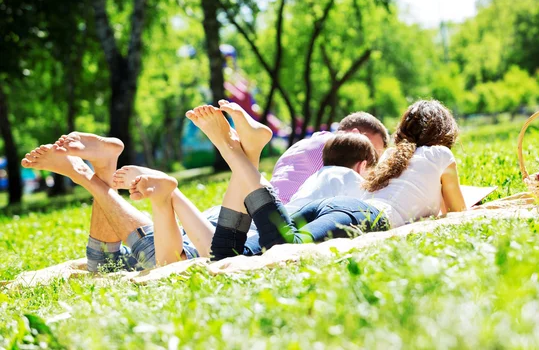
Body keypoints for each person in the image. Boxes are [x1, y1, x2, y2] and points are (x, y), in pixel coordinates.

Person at [182, 99, 466, 260]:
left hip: (338, 206)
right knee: (286, 250)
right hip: (363, 215)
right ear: (445, 134)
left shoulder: (392, 156)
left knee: (227, 253)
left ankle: (249, 151)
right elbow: (457, 214)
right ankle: (233, 152)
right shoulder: (440, 155)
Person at [21, 133, 202, 272]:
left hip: (197, 230)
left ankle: (100, 168)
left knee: (102, 264)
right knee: (165, 262)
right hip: (199, 237)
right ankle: (84, 173)